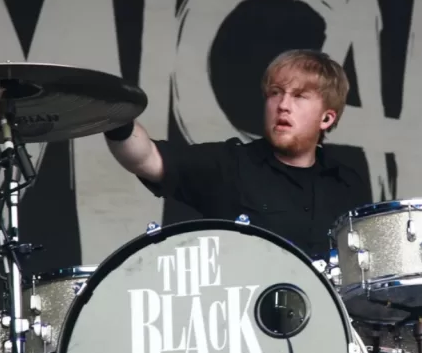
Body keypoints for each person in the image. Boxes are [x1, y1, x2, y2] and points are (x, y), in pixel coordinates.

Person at [103, 49, 372, 258]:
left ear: (326, 118)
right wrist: (114, 114)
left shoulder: (348, 183)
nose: (283, 105)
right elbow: (146, 158)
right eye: (275, 93)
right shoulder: (229, 164)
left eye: (299, 96)